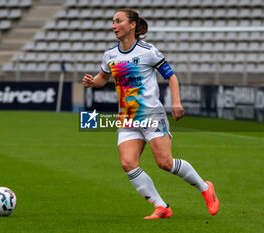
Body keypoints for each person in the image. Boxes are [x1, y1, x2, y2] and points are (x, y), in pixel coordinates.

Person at [82, 8, 219, 219]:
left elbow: (171, 76)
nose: (114, 26)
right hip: (127, 117)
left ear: (132, 25)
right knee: (128, 163)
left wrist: (176, 102)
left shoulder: (147, 51)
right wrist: (93, 82)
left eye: (118, 21)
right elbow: (103, 77)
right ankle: (161, 206)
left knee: (165, 163)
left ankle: (205, 188)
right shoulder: (110, 53)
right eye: (113, 22)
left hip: (151, 115)